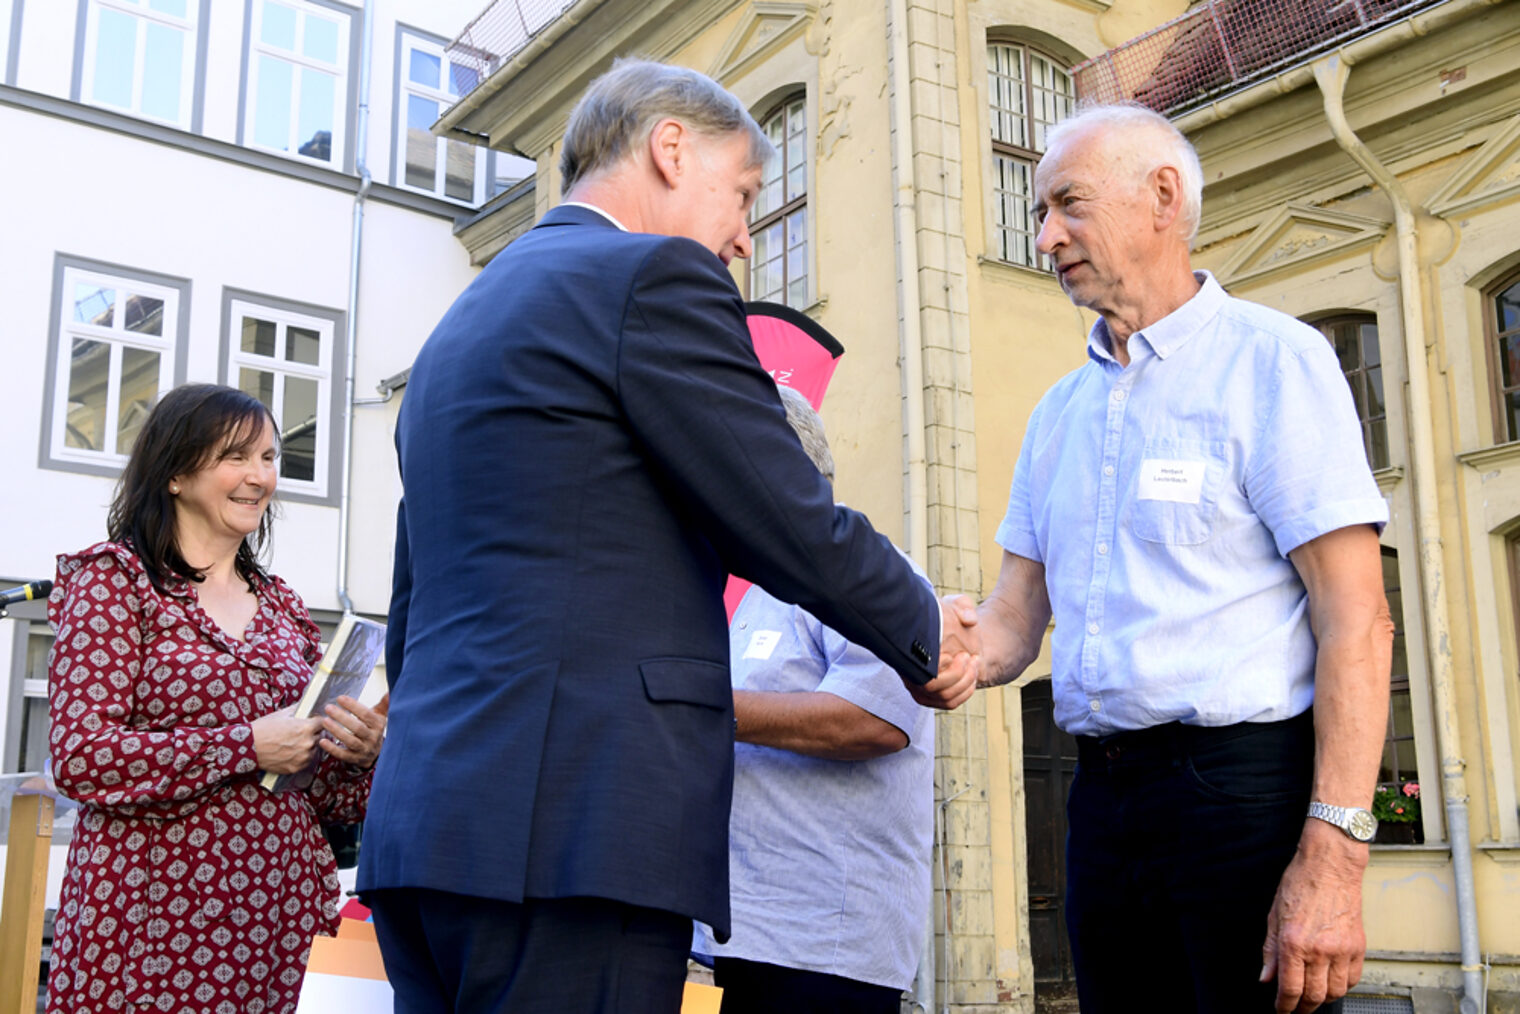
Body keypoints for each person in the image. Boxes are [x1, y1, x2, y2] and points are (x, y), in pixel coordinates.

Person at [358, 58, 979, 1014]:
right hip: (570, 840)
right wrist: (928, 632)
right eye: (744, 194)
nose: (743, 236)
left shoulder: (460, 330)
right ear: (670, 148)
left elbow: (414, 599)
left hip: (428, 833)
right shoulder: (648, 276)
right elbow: (782, 511)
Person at [972, 103, 1393, 1014]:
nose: (1045, 237)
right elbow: (1008, 623)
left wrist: (1335, 856)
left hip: (1242, 798)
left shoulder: (1275, 365)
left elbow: (1357, 620)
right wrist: (885, 622)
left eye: (1068, 204)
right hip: (1100, 803)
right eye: (1041, 212)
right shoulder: (1057, 415)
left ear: (1162, 197)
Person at [45, 383, 388, 1014]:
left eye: (269, 457)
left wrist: (358, 756)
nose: (260, 476)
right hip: (149, 916)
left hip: (275, 917)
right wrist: (244, 745)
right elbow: (80, 757)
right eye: (236, 456)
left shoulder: (283, 606)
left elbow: (322, 794)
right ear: (175, 474)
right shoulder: (117, 582)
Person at [694, 386, 934, 1013]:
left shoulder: (872, 571)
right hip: (749, 931)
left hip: (828, 943)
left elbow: (876, 720)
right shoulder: (757, 593)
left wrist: (706, 707)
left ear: (780, 468)